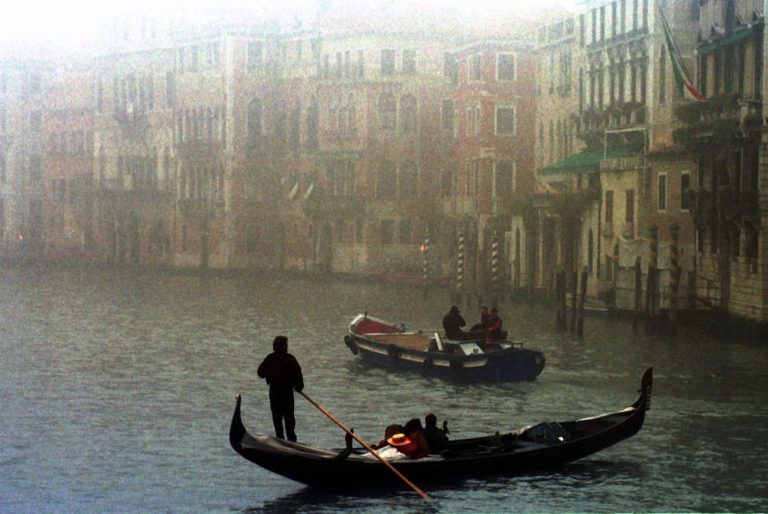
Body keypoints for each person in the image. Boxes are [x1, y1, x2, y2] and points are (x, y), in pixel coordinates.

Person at [257, 335, 304, 442]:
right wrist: (299, 387)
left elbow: (260, 373)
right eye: (286, 345)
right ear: (283, 347)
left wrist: (270, 373)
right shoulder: (290, 359)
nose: (287, 347)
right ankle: (292, 441)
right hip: (287, 393)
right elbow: (298, 375)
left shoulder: (270, 358)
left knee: (277, 419)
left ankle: (280, 441)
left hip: (274, 393)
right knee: (289, 419)